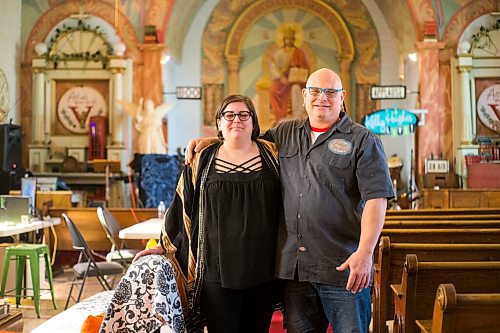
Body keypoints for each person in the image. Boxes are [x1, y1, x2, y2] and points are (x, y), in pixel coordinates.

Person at [186, 68, 394, 332]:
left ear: (342, 97)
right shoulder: (285, 133)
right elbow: (246, 141)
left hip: (342, 267)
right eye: (316, 91)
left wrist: (365, 253)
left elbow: (376, 200)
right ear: (304, 96)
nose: (323, 98)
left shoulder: (363, 139)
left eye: (331, 92)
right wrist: (209, 141)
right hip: (295, 272)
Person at [135, 94, 282, 332]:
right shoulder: (202, 159)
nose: (237, 120)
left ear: (254, 122)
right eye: (229, 115)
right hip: (216, 267)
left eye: (244, 115)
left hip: (262, 268)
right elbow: (184, 203)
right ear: (219, 123)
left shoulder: (273, 155)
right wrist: (165, 244)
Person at [269, 26, 309, 122]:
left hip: (296, 80)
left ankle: (297, 116)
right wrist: (281, 77)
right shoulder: (279, 53)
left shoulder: (299, 53)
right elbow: (273, 67)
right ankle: (280, 117)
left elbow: (305, 68)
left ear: (294, 39)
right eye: (287, 39)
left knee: (296, 89)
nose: (288, 41)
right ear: (284, 40)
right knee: (273, 90)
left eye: (290, 39)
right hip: (282, 80)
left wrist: (298, 75)